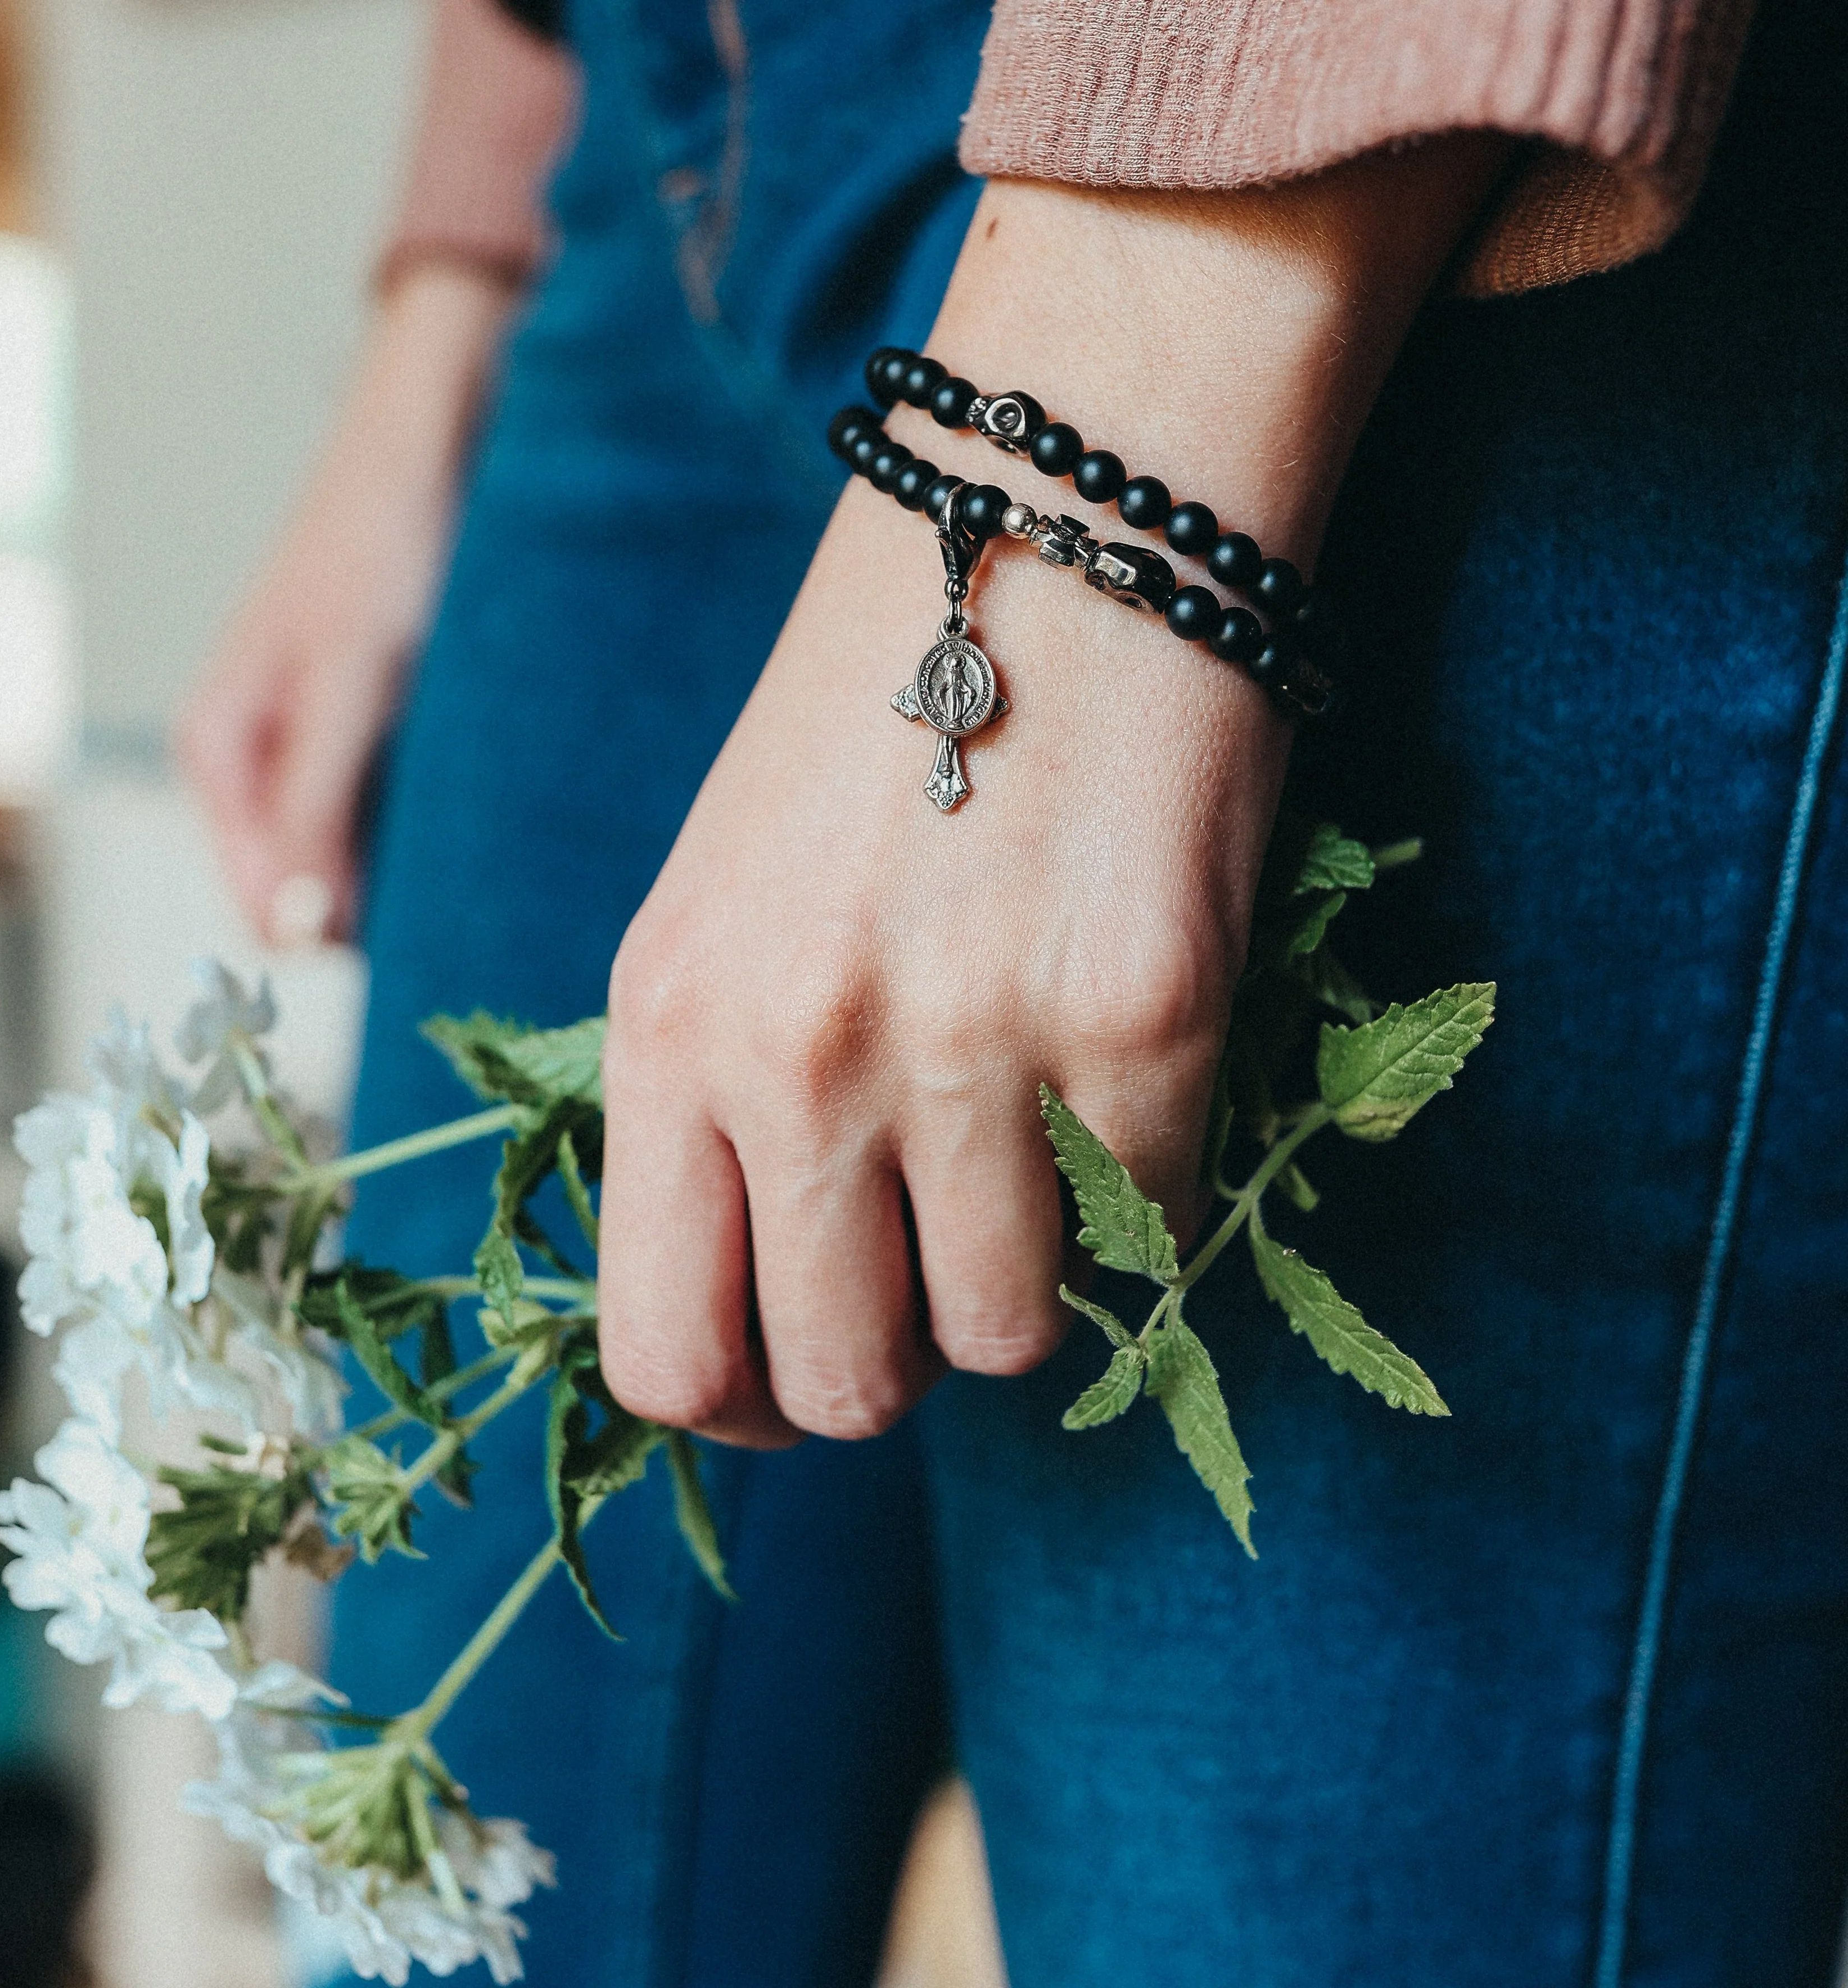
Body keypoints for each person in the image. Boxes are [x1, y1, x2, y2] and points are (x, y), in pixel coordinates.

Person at [179, 0, 1848, 1980]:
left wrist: (1123, 385)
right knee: (459, 1896)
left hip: (1341, 177)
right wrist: (452, 293)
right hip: (644, 176)